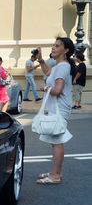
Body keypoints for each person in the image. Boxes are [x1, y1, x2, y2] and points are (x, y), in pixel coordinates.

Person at [34, 37, 75, 185]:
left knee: (57, 141)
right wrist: (40, 60)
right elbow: (48, 74)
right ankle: (55, 172)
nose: (53, 48)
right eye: (53, 45)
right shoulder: (58, 66)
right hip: (56, 108)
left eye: (57, 46)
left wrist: (44, 89)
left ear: (66, 50)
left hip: (60, 108)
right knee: (54, 141)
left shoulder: (63, 66)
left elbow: (57, 90)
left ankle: (55, 176)